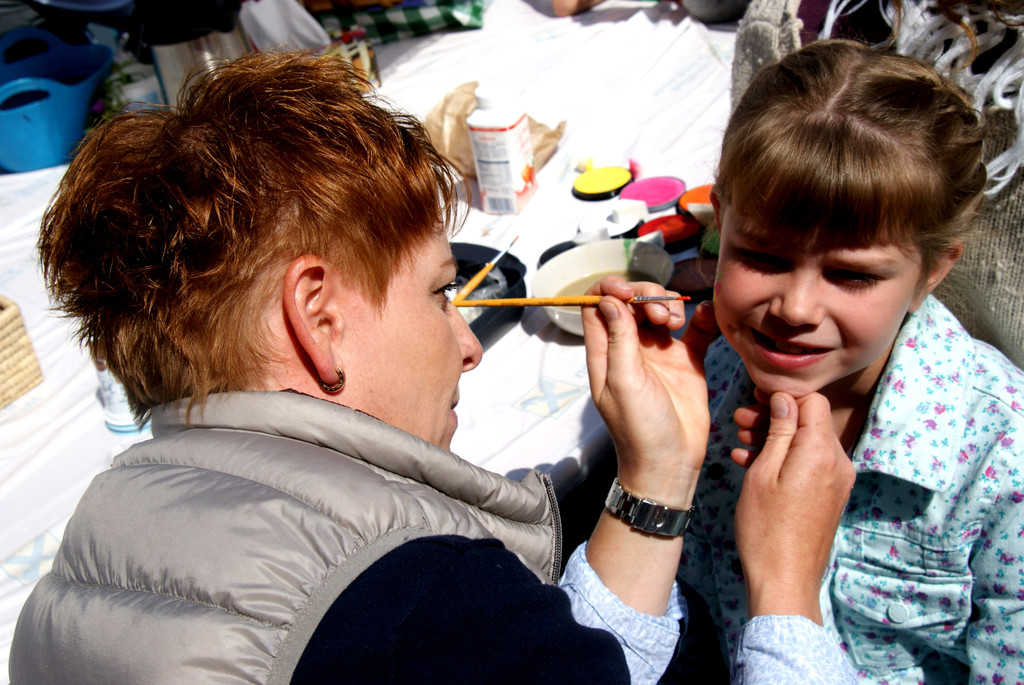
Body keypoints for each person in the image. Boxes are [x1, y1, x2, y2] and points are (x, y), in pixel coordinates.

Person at [9, 50, 855, 684]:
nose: (468, 346)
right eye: (440, 293)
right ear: (319, 318)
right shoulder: (418, 604)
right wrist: (786, 590)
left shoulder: (99, 536)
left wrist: (659, 473)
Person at [676, 39, 1024, 683]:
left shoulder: (1004, 464)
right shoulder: (710, 378)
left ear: (933, 270)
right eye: (764, 257)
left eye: (851, 275)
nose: (797, 307)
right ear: (720, 225)